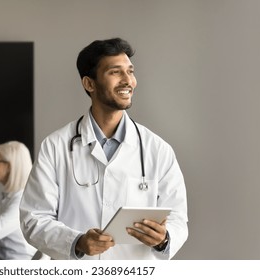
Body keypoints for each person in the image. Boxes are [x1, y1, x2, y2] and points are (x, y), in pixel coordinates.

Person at [19, 38, 188, 260]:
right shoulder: (56, 146)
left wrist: (164, 239)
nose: (128, 81)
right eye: (115, 72)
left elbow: (177, 218)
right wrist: (77, 242)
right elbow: (34, 218)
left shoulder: (157, 149)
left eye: (130, 71)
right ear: (89, 84)